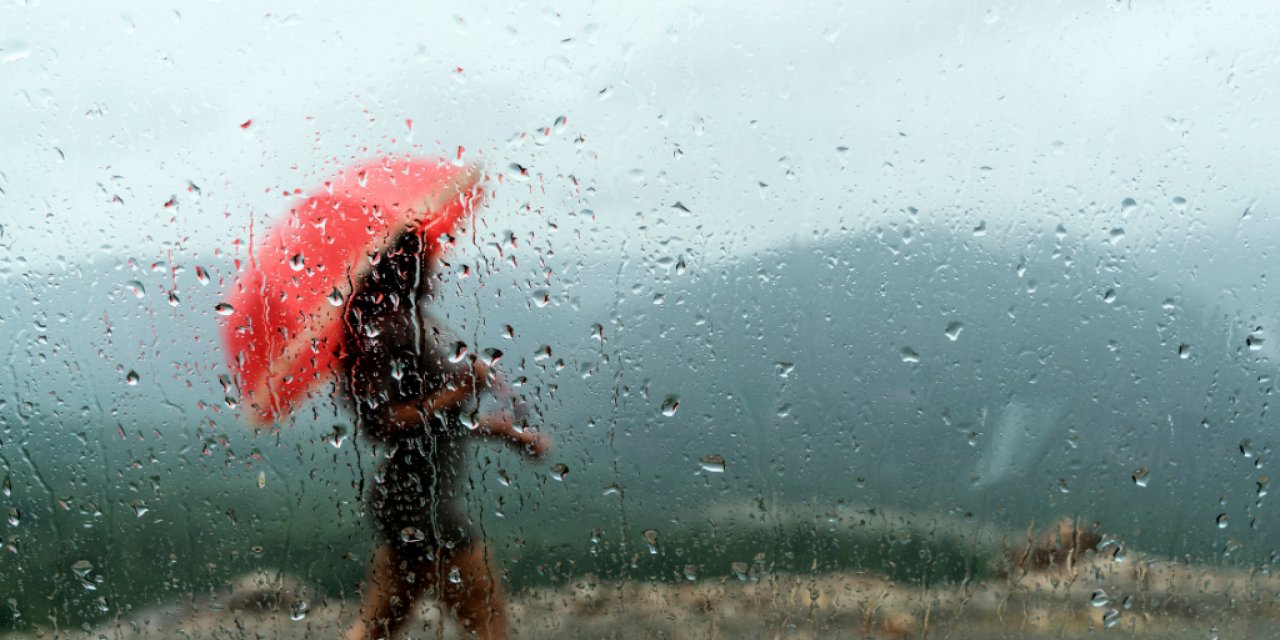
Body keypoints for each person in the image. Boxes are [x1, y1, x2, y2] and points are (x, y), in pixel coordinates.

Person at [340, 228, 549, 640]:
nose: (436, 267)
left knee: (382, 623)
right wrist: (462, 389)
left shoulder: (414, 322)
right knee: (484, 617)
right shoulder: (387, 329)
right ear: (405, 270)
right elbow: (381, 423)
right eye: (427, 261)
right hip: (419, 499)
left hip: (417, 495)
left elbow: (441, 423)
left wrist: (507, 433)